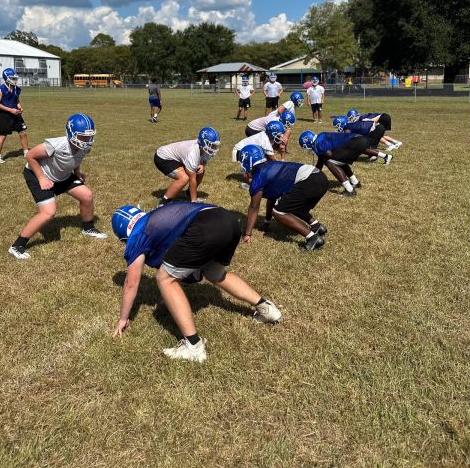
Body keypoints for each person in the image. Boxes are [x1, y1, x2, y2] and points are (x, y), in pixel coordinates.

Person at [111, 202, 283, 362]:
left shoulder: (136, 235)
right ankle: (266, 309)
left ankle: (193, 346)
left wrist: (123, 318)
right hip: (228, 221)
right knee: (215, 273)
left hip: (205, 227)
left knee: (165, 279)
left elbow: (131, 283)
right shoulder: (155, 216)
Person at [7, 114, 107, 260]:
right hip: (38, 175)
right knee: (48, 212)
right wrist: (41, 178)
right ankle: (16, 246)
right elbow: (30, 156)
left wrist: (77, 173)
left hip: (62, 176)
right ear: (71, 133)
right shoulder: (56, 145)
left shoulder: (84, 146)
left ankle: (88, 228)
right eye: (83, 136)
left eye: (90, 136)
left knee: (87, 196)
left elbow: (76, 159)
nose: (87, 140)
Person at [237, 145, 330, 252]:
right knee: (288, 204)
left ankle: (313, 238)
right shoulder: (270, 165)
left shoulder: (259, 177)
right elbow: (272, 197)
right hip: (319, 177)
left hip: (310, 182)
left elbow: (254, 207)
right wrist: (267, 222)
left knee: (278, 212)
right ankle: (317, 226)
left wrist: (247, 234)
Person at [296, 129, 389, 198]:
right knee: (338, 160)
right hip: (359, 139)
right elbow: (320, 161)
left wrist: (318, 167)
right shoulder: (320, 137)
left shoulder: (318, 143)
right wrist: (314, 173)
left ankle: (350, 190)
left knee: (330, 162)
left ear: (307, 143)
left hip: (355, 142)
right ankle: (355, 182)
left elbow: (328, 154)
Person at [153, 127, 220, 205]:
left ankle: (188, 194)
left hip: (177, 158)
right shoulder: (192, 152)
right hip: (163, 157)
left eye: (214, 145)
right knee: (184, 178)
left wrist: (202, 165)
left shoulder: (203, 148)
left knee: (200, 172)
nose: (213, 147)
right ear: (203, 142)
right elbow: (192, 179)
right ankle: (164, 203)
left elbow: (204, 160)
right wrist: (194, 202)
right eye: (211, 145)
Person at [0, 68, 28, 164]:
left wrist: (19, 106)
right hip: (5, 116)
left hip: (16, 114)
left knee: (23, 132)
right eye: (12, 78)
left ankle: (26, 152)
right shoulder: (0, 90)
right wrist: (10, 110)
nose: (14, 80)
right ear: (6, 78)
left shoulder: (16, 89)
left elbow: (16, 100)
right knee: (3, 135)